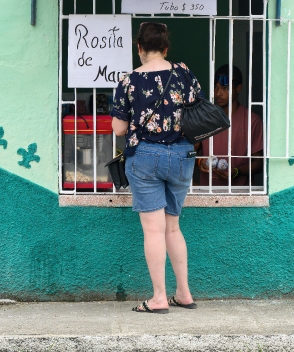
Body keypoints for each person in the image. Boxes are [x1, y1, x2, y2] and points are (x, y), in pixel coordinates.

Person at [110, 22, 203, 314]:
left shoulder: (128, 82)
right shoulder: (184, 72)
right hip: (181, 156)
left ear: (139, 48)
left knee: (153, 231)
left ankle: (159, 298)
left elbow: (119, 129)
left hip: (146, 157)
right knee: (172, 228)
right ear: (165, 48)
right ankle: (184, 293)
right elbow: (197, 108)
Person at [197, 64, 263, 187]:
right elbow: (189, 153)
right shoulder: (204, 118)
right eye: (216, 88)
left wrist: (236, 172)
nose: (218, 93)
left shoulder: (252, 121)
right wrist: (200, 162)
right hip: (207, 194)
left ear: (238, 88)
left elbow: (259, 163)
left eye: (225, 88)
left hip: (241, 194)